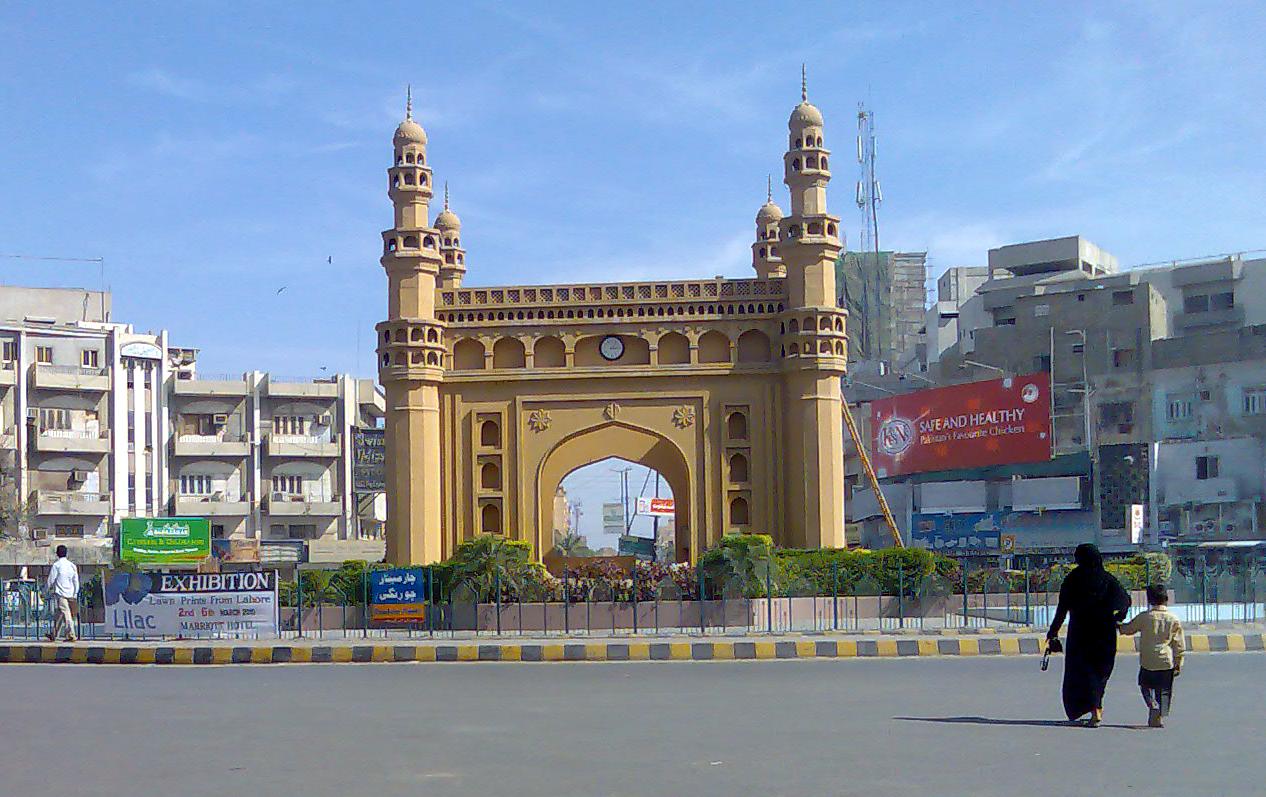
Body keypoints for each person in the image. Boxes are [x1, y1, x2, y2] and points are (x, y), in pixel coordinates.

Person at [1046, 543, 1131, 726]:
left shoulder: (1072, 580)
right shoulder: (1107, 579)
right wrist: (1118, 617)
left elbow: (1062, 610)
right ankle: (1096, 707)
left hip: (1080, 633)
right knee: (1100, 672)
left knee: (1083, 673)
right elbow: (1125, 601)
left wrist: (1053, 632)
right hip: (1104, 632)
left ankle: (1093, 709)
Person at [1118, 584, 1184, 728]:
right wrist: (1179, 663)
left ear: (1150, 600)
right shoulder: (1174, 619)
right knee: (1165, 690)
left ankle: (1151, 704)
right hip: (1166, 660)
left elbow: (1128, 629)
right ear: (1166, 599)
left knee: (1145, 685)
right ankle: (1159, 715)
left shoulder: (1144, 617)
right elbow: (1179, 645)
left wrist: (1117, 625)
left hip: (1148, 660)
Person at [44, 544, 80, 642]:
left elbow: (51, 580)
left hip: (61, 594)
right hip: (71, 593)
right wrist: (75, 593)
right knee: (59, 615)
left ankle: (71, 634)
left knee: (66, 614)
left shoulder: (57, 565)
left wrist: (45, 591)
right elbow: (76, 580)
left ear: (57, 554)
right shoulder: (72, 565)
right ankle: (54, 634)